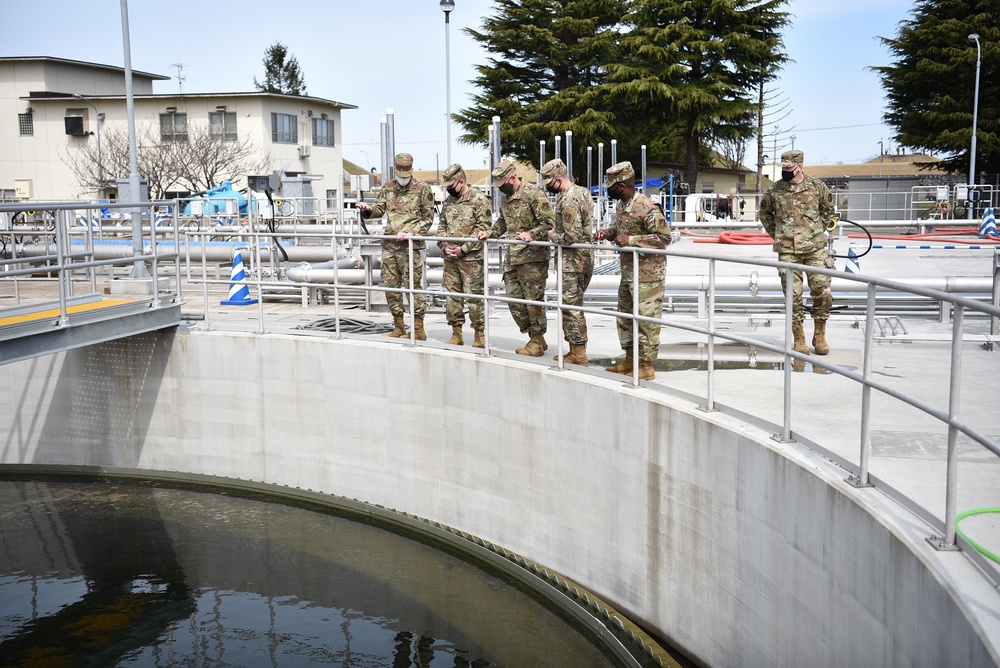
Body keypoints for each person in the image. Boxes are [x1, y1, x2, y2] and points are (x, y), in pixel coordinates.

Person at [593, 161, 672, 380]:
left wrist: (632, 240)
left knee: (646, 320)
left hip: (648, 275)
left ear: (622, 185)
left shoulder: (645, 206)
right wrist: (607, 233)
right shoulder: (622, 204)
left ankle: (645, 366)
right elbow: (620, 230)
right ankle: (630, 360)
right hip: (629, 272)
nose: (608, 189)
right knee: (625, 317)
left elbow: (664, 237)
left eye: (611, 185)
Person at [759, 149, 835, 355]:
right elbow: (765, 214)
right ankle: (799, 337)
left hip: (815, 249)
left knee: (823, 292)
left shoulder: (817, 187)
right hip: (788, 251)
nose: (786, 172)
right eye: (783, 168)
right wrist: (778, 235)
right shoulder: (774, 191)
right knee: (793, 297)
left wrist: (817, 233)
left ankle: (819, 334)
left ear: (800, 167)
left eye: (789, 168)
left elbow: (828, 211)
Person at [477, 159, 555, 356]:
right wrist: (490, 233)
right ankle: (535, 336)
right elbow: (503, 222)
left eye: (502, 184)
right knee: (514, 300)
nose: (500, 188)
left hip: (533, 259)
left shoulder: (533, 194)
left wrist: (532, 234)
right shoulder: (506, 198)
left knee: (533, 301)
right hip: (513, 257)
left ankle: (537, 340)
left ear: (512, 177)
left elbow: (549, 222)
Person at [357, 153, 435, 340]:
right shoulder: (388, 187)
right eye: (400, 173)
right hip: (390, 246)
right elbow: (379, 208)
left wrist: (411, 233)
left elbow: (428, 219)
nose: (402, 178)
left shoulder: (422, 189)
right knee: (391, 287)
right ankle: (399, 326)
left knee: (413, 287)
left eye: (405, 173)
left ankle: (418, 329)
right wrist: (368, 209)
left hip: (411, 247)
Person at [540, 158, 594, 365]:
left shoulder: (569, 199)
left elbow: (572, 237)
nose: (548, 188)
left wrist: (552, 234)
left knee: (571, 307)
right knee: (573, 305)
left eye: (549, 183)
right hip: (582, 258)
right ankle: (575, 350)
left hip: (573, 261)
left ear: (559, 179)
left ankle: (578, 352)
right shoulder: (582, 192)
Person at [437, 163, 492, 348]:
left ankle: (479, 334)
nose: (449, 190)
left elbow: (483, 229)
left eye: (451, 186)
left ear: (461, 182)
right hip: (450, 259)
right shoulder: (448, 203)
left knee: (474, 297)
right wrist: (445, 247)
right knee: (452, 297)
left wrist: (464, 249)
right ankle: (456, 333)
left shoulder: (479, 199)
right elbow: (441, 228)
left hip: (471, 260)